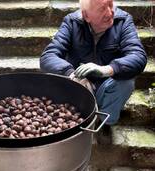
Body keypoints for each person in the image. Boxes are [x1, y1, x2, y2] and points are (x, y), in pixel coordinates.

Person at [40, 0, 147, 142]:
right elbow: (48, 56)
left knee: (126, 82)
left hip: (107, 86)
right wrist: (71, 74)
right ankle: (77, 119)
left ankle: (105, 122)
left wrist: (107, 69)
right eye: (103, 8)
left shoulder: (123, 20)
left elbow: (138, 56)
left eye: (110, 5)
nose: (110, 13)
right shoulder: (72, 22)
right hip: (80, 86)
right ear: (86, 15)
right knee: (51, 76)